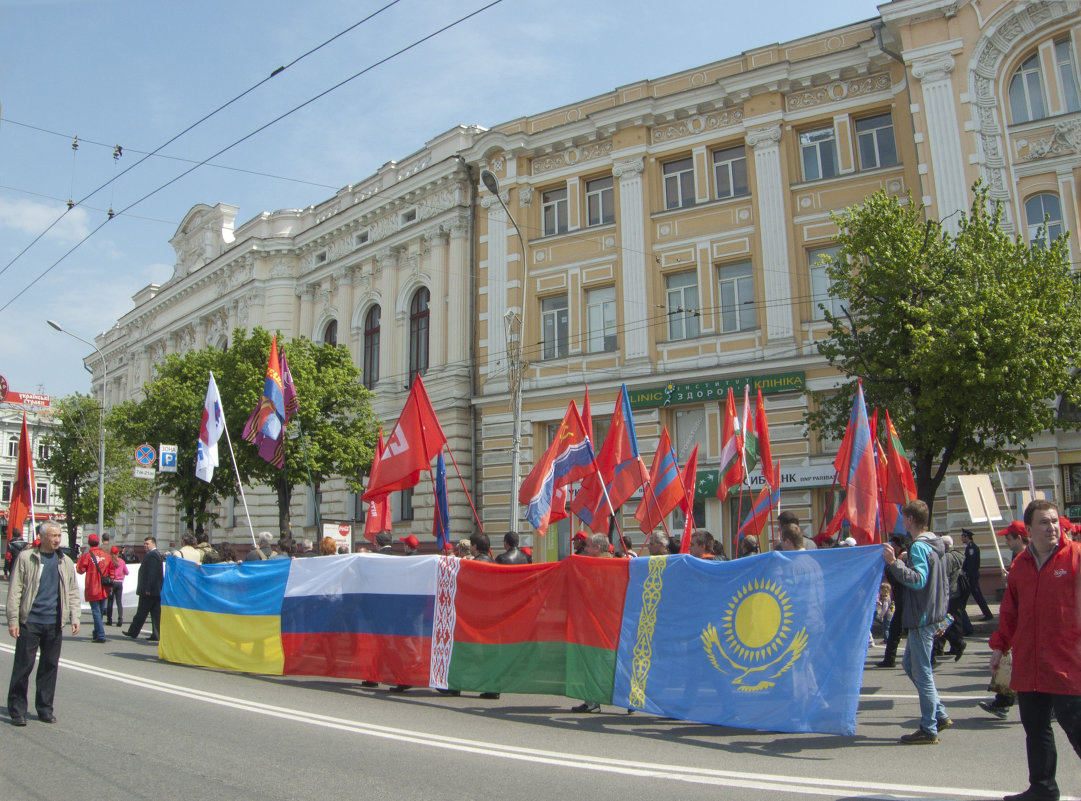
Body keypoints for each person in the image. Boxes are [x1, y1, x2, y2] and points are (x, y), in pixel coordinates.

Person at [990, 500, 1081, 801]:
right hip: (1030, 663)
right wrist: (1000, 646)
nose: (1052, 527)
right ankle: (1043, 788)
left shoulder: (1076, 558)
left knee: (1076, 727)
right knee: (1036, 729)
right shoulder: (1020, 566)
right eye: (1044, 522)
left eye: (1054, 521)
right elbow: (1010, 612)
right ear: (1029, 529)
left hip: (1069, 661)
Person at [881, 499, 951, 744]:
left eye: (904, 517)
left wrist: (894, 563)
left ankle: (929, 727)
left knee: (922, 673)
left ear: (911, 520)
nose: (903, 521)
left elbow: (918, 580)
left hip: (922, 617)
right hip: (930, 614)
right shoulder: (936, 544)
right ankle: (939, 714)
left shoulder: (920, 547)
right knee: (910, 665)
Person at [6, 521, 80, 726]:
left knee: (49, 667)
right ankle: (17, 709)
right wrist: (13, 620)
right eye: (53, 535)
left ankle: (45, 708)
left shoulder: (64, 561)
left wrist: (75, 616)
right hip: (30, 621)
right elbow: (15, 590)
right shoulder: (26, 558)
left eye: (59, 535)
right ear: (43, 536)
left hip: (54, 623)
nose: (57, 539)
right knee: (23, 667)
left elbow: (72, 590)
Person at [123, 537, 165, 642]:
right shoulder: (154, 555)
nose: (145, 545)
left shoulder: (153, 555)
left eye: (147, 544)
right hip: (155, 590)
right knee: (155, 614)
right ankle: (156, 634)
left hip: (150, 590)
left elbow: (152, 573)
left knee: (142, 611)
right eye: (144, 543)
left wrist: (148, 588)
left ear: (153, 544)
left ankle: (133, 631)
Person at [75, 534, 113, 643]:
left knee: (96, 611)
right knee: (99, 612)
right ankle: (96, 632)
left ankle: (100, 634)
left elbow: (80, 570)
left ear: (89, 543)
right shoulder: (106, 555)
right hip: (104, 587)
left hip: (93, 587)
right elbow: (111, 571)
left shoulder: (87, 555)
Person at [877, 534, 907, 667]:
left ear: (897, 545)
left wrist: (889, 565)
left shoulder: (902, 558)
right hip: (901, 597)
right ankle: (890, 658)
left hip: (903, 598)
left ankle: (890, 659)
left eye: (893, 544)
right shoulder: (904, 556)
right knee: (898, 629)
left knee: (897, 629)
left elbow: (897, 578)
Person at [961, 529, 994, 623]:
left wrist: (967, 575)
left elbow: (971, 564)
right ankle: (962, 614)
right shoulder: (970, 547)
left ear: (966, 537)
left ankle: (988, 614)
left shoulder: (971, 548)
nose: (961, 538)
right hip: (970, 577)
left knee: (977, 596)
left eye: (963, 536)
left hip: (971, 577)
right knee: (964, 597)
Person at [104, 545, 129, 627]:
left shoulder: (109, 561)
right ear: (118, 553)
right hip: (119, 583)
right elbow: (127, 572)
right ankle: (120, 619)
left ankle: (109, 620)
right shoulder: (121, 561)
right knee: (119, 602)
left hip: (111, 583)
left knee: (110, 602)